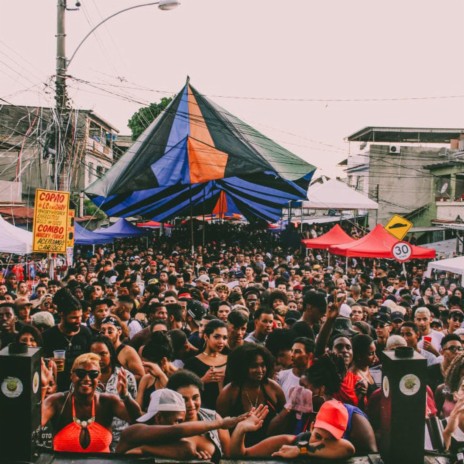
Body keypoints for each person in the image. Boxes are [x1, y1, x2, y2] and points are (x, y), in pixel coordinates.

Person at [41, 353, 141, 453]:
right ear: (71, 375)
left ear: (99, 377)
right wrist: (42, 387)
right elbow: (32, 425)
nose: (87, 379)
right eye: (80, 373)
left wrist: (125, 396)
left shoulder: (107, 402)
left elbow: (137, 419)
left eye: (93, 374)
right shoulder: (57, 402)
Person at [116, 388, 246, 457]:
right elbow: (178, 430)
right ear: (159, 417)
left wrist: (145, 450)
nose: (180, 425)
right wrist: (220, 423)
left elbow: (187, 449)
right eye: (177, 421)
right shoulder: (133, 431)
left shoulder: (169, 441)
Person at [217, 343, 285, 446]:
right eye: (254, 366)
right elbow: (220, 428)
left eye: (263, 365)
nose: (260, 370)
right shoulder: (230, 392)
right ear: (242, 367)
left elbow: (284, 420)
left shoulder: (273, 388)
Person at [167, 370, 232, 460]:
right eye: (184, 399)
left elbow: (228, 457)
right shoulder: (165, 422)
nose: (191, 404)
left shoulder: (213, 417)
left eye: (195, 397)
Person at [90, 336, 138, 451]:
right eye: (94, 355)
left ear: (110, 354)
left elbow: (134, 411)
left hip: (122, 441)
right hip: (95, 440)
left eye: (103, 354)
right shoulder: (82, 380)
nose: (98, 359)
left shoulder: (126, 377)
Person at [42, 288, 93, 392]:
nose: (78, 321)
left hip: (80, 385)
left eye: (80, 317)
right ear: (61, 314)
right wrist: (49, 362)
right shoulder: (48, 335)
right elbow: (40, 362)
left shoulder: (86, 333)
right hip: (57, 386)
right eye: (73, 318)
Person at [184, 320, 228, 410]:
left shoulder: (230, 358)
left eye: (224, 338)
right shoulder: (192, 363)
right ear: (206, 337)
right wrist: (202, 380)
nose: (221, 342)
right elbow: (184, 390)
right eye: (216, 337)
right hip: (205, 411)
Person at [99, 315, 145, 382]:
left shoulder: (128, 351)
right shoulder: (99, 350)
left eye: (110, 331)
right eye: (102, 332)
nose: (106, 334)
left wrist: (118, 380)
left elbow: (141, 375)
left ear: (119, 332)